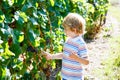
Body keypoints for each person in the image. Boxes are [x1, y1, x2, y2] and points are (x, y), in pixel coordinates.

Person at [42, 13, 89, 80]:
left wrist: (76, 58)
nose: (64, 31)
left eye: (66, 29)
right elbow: (64, 55)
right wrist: (51, 56)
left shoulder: (80, 44)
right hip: (65, 76)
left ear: (74, 29)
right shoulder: (68, 41)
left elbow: (86, 62)